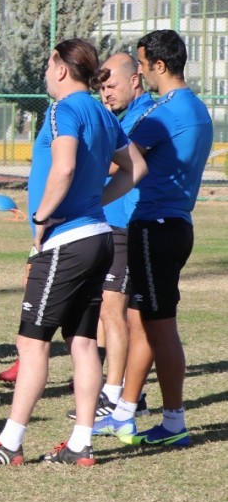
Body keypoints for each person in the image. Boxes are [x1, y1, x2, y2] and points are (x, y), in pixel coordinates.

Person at [0, 39, 142, 467]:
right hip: (99, 236)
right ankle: (81, 443)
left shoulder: (65, 109)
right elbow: (137, 168)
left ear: (61, 68)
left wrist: (43, 214)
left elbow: (62, 167)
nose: (45, 71)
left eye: (48, 64)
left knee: (31, 342)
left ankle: (10, 442)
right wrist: (95, 200)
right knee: (81, 342)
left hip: (68, 240)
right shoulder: (101, 110)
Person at [102, 29, 212, 448]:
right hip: (173, 224)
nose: (142, 71)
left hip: (156, 225)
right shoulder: (192, 106)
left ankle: (172, 421)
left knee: (159, 326)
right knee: (149, 322)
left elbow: (123, 159)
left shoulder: (168, 110)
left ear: (160, 66)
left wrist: (87, 126)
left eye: (144, 64)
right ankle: (128, 412)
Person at [76, 52, 154, 418]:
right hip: (109, 224)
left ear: (135, 79)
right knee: (107, 311)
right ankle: (120, 389)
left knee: (114, 311)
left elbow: (120, 163)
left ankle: (118, 393)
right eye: (101, 87)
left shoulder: (144, 116)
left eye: (111, 86)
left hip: (126, 224)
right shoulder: (122, 116)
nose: (105, 94)